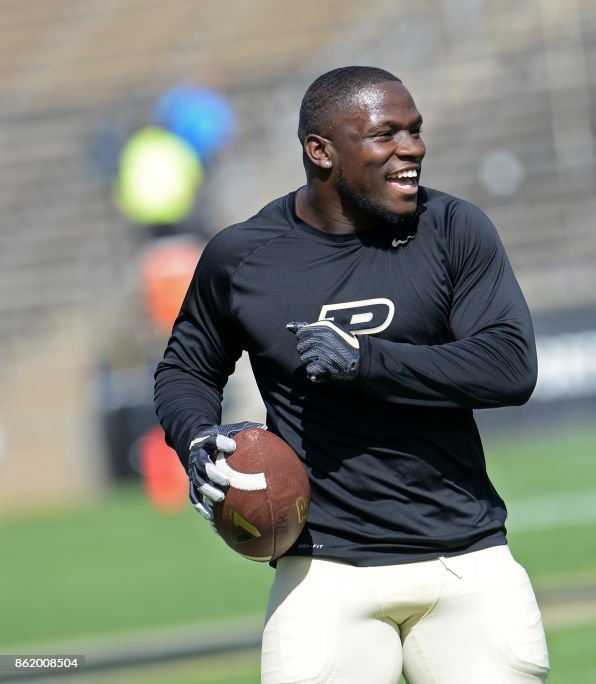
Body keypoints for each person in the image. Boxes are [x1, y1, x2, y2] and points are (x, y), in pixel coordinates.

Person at [154, 66, 550, 683]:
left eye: (415, 132)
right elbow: (186, 369)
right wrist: (195, 439)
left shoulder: (452, 228)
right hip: (322, 572)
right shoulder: (242, 255)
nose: (412, 149)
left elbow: (509, 366)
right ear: (321, 152)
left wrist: (367, 361)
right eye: (385, 134)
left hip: (466, 562)